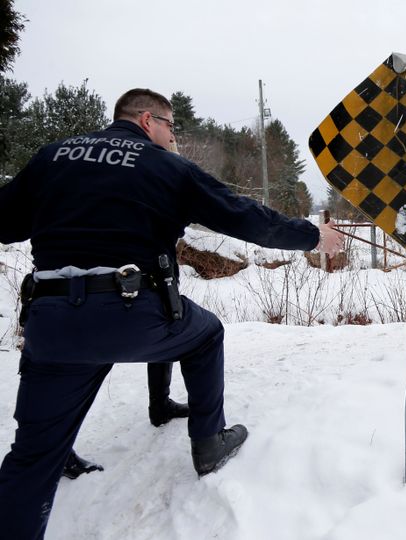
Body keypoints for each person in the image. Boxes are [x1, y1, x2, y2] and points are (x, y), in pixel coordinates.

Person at [0, 88, 343, 539]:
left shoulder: (52, 157)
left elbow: (6, 224)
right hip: (132, 313)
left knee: (31, 456)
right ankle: (209, 441)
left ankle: (63, 445)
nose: (174, 138)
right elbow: (245, 216)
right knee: (203, 333)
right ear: (147, 121)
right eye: (171, 128)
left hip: (53, 317)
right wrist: (312, 237)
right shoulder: (166, 167)